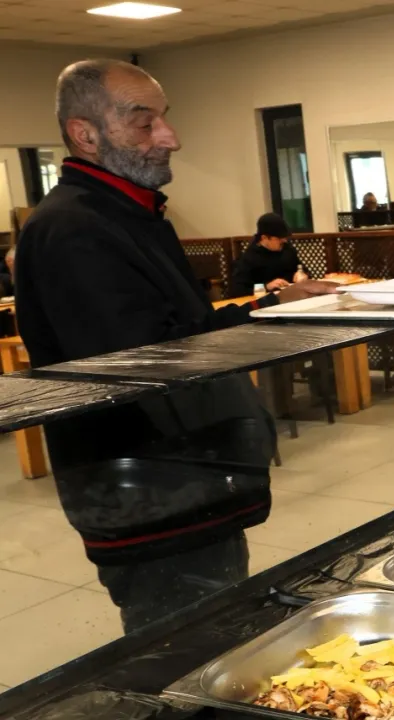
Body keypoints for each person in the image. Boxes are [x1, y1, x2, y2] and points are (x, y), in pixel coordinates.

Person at [16, 59, 337, 633]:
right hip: (150, 490)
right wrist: (266, 320)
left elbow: (182, 328)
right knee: (184, 645)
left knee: (223, 625)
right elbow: (147, 363)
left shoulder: (132, 214)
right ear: (85, 134)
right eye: (146, 124)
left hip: (190, 477)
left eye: (164, 119)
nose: (171, 138)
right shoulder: (73, 228)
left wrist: (272, 305)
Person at [228, 212, 312, 297]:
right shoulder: (249, 258)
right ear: (264, 238)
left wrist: (303, 274)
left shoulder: (287, 249)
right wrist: (267, 287)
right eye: (279, 238)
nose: (284, 241)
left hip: (292, 296)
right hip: (265, 301)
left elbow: (301, 268)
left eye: (285, 237)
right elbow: (237, 290)